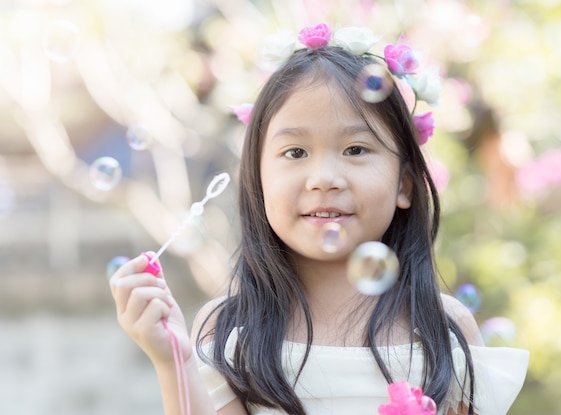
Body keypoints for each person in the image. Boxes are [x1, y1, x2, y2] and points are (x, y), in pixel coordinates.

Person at [109, 23, 529, 415]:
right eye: (295, 153)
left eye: (355, 150)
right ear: (257, 178)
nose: (324, 179)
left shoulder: (442, 327)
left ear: (405, 184)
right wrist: (175, 361)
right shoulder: (228, 328)